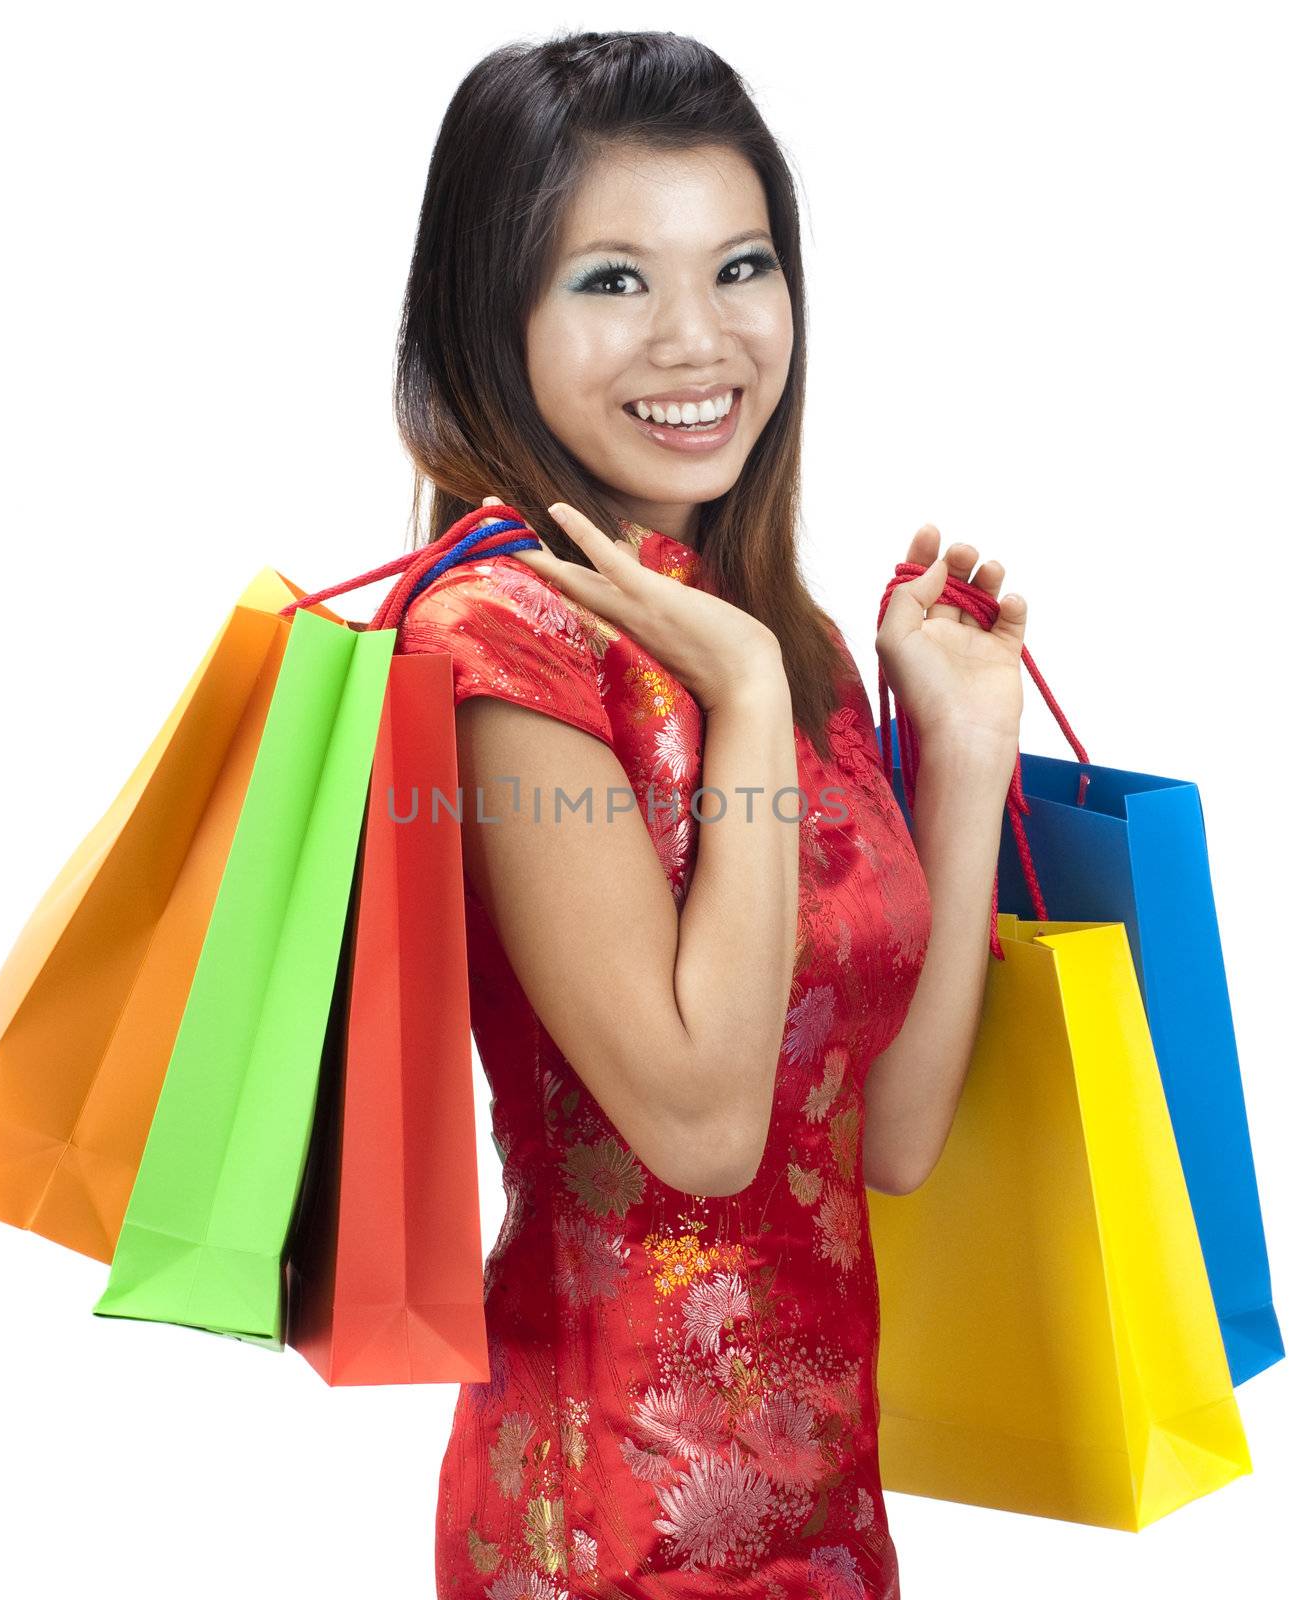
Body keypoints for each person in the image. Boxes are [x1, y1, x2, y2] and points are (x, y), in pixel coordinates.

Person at [393, 30, 1025, 1600]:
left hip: (833, 1521)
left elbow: (886, 1134)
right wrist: (748, 701)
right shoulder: (497, 644)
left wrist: (965, 753)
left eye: (740, 267)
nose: (698, 339)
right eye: (612, 281)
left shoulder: (771, 638)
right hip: (605, 1524)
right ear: (496, 316)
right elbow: (698, 1125)